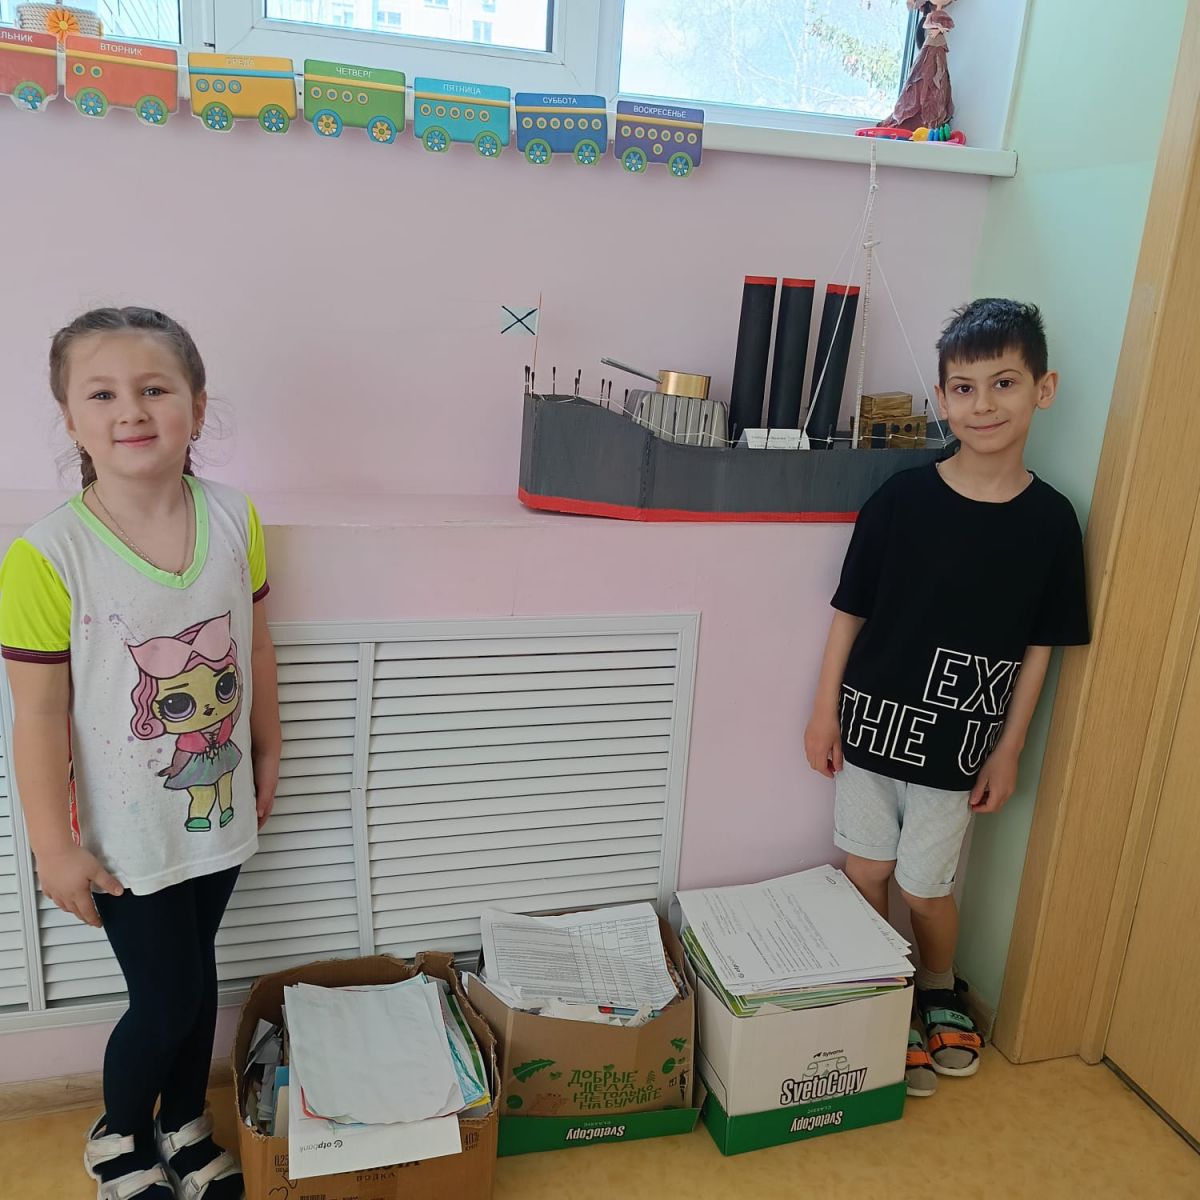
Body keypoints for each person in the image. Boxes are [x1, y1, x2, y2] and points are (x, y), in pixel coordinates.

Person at [0, 307, 281, 1198]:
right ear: (70, 419)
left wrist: (268, 747)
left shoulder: (234, 517)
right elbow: (38, 716)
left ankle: (184, 1120)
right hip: (125, 837)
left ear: (196, 404)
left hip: (217, 806)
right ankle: (117, 1133)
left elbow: (256, 646)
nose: (131, 409)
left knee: (198, 984)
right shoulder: (45, 556)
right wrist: (54, 849)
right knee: (163, 1000)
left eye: (155, 388)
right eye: (102, 394)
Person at [804, 298, 1090, 1096]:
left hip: (960, 749)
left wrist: (1010, 748)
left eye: (1004, 382)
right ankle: (882, 992)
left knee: (927, 888)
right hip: (871, 729)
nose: (983, 404)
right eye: (964, 388)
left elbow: (1041, 647)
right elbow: (849, 611)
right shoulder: (900, 501)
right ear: (942, 399)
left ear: (1043, 389)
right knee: (867, 868)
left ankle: (937, 987)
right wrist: (825, 711)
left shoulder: (1052, 522)